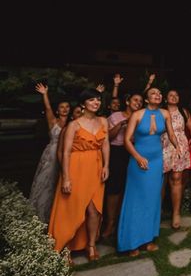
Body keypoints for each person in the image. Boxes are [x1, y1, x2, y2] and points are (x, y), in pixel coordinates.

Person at [48, 88, 109, 262]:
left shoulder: (103, 121)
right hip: (76, 168)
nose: (96, 102)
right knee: (71, 208)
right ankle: (65, 246)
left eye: (98, 99)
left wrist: (107, 166)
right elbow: (66, 152)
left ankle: (91, 245)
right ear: (83, 104)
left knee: (94, 210)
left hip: (96, 167)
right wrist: (66, 177)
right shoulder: (73, 125)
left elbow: (105, 146)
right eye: (91, 100)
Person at [117, 87, 178, 256]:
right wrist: (137, 157)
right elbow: (127, 141)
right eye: (153, 93)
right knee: (136, 200)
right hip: (139, 161)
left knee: (152, 200)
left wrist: (177, 146)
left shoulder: (165, 113)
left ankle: (147, 240)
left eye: (159, 93)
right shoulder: (136, 115)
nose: (157, 95)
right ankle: (131, 242)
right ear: (146, 99)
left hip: (157, 161)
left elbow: (171, 134)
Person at [101, 92, 143, 239]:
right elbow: (108, 137)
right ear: (127, 101)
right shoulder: (115, 116)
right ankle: (110, 223)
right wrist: (121, 125)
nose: (138, 103)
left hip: (133, 152)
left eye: (140, 101)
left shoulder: (140, 118)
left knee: (129, 187)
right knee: (114, 189)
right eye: (135, 99)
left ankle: (123, 222)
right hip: (117, 152)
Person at [29, 83, 70, 223]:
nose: (64, 109)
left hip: (67, 155)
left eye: (67, 107)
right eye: (61, 107)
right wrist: (45, 94)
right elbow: (47, 108)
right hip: (51, 155)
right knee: (46, 181)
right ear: (58, 110)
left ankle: (55, 215)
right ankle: (39, 213)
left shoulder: (73, 123)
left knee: (60, 183)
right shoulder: (53, 121)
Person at [162, 89, 191, 229]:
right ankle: (156, 212)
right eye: (171, 95)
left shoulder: (183, 111)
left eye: (176, 95)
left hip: (179, 147)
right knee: (161, 180)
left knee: (176, 178)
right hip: (162, 146)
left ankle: (176, 213)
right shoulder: (160, 111)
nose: (174, 97)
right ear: (165, 98)